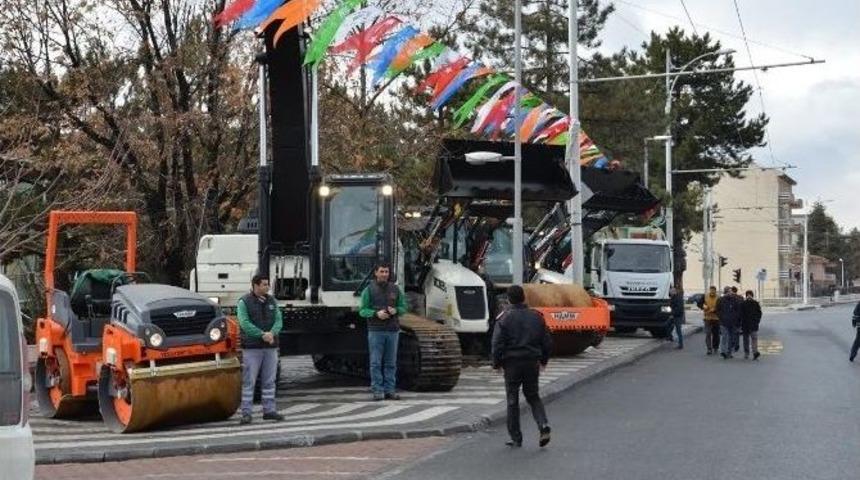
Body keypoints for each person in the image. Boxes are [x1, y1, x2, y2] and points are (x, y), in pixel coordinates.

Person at [492, 285, 553, 448]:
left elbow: (497, 343)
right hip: (532, 362)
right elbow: (546, 341)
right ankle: (543, 424)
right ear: (524, 297)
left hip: (512, 363)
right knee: (533, 396)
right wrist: (544, 361)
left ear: (509, 300)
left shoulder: (504, 318)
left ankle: (516, 437)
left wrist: (496, 363)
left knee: (512, 399)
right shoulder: (536, 317)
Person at [238, 274, 285, 425]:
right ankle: (246, 413)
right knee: (249, 381)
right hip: (252, 348)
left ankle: (269, 410)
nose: (267, 287)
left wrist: (272, 333)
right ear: (255, 285)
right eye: (264, 284)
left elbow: (278, 320)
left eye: (267, 284)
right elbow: (244, 323)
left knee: (269, 381)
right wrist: (262, 335)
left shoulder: (272, 301)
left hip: (270, 347)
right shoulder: (244, 302)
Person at [359, 263, 408, 401]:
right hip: (376, 331)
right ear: (376, 273)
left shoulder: (395, 289)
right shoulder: (368, 290)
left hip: (392, 330)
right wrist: (376, 314)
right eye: (382, 271)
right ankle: (378, 390)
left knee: (391, 362)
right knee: (375, 362)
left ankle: (390, 390)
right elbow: (362, 310)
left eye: (386, 272)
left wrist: (396, 310)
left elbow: (404, 307)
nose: (385, 274)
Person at [717, 286, 742, 359]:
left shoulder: (735, 300)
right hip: (723, 322)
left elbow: (738, 310)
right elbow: (717, 310)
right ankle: (723, 351)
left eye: (731, 291)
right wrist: (721, 317)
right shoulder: (720, 300)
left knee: (731, 337)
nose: (730, 293)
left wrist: (736, 318)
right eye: (729, 291)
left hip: (732, 322)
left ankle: (729, 352)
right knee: (724, 336)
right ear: (725, 292)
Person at [740, 290, 762, 360]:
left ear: (752, 296)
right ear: (746, 296)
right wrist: (741, 322)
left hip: (753, 324)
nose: (749, 296)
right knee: (746, 339)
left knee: (754, 338)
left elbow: (759, 313)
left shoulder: (755, 303)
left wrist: (757, 321)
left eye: (750, 295)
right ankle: (746, 353)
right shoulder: (743, 304)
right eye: (748, 295)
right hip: (745, 325)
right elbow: (740, 314)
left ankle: (755, 352)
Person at [702, 286, 721, 355]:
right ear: (710, 290)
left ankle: (715, 347)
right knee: (708, 333)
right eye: (711, 290)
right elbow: (702, 304)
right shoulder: (706, 296)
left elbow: (720, 306)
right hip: (707, 318)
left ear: (715, 291)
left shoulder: (718, 298)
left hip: (716, 318)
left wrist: (715, 309)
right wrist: (704, 307)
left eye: (713, 290)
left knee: (716, 334)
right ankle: (709, 348)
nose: (712, 291)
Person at [730, 286, 742, 352]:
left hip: (732, 317)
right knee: (737, 332)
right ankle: (736, 345)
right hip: (738, 318)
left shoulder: (730, 298)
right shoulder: (740, 297)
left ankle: (732, 344)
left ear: (732, 291)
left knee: (732, 332)